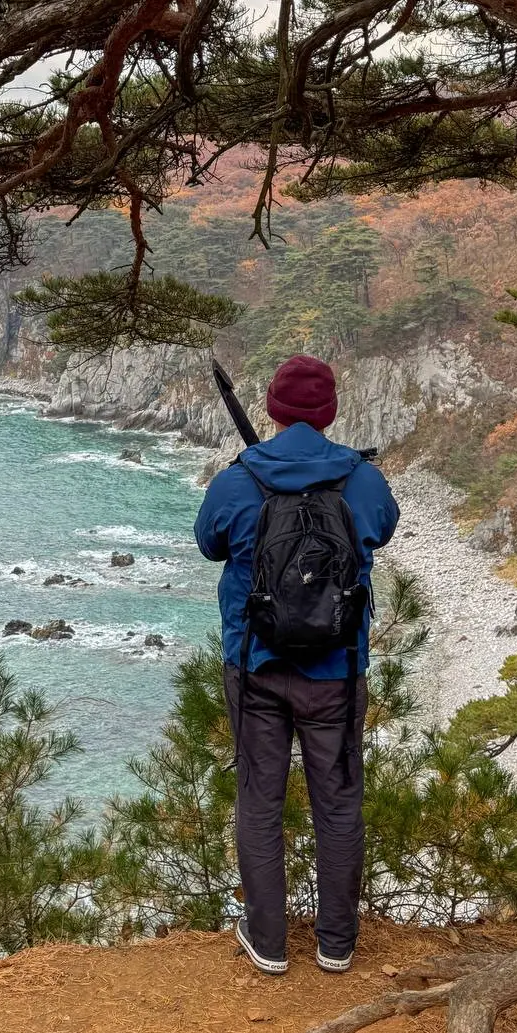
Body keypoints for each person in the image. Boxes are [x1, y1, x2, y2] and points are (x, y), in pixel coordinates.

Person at [194, 354, 399, 976]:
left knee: (259, 800)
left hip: (256, 665)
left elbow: (209, 543)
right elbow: (382, 531)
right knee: (337, 801)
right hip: (337, 668)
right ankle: (336, 945)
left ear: (273, 410)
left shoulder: (239, 481)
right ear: (329, 412)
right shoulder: (362, 481)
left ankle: (269, 942)